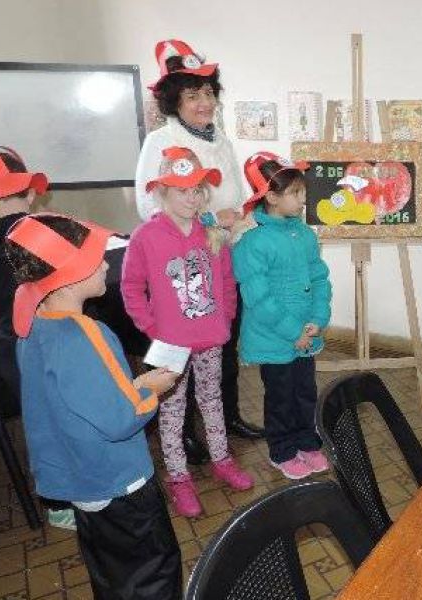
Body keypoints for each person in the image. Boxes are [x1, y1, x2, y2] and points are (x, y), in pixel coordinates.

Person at [5, 213, 182, 599]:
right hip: (119, 480)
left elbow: (73, 400)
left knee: (112, 572)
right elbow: (122, 418)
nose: (105, 264)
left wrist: (131, 387)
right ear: (68, 272)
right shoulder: (87, 333)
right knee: (154, 572)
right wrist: (152, 389)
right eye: (94, 258)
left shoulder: (32, 327)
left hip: (80, 479)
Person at [136, 39, 263, 456]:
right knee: (180, 353)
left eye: (209, 93)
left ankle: (225, 419)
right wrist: (210, 219)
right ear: (175, 102)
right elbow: (146, 204)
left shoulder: (221, 140)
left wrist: (240, 219)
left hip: (222, 258)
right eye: (193, 95)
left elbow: (235, 197)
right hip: (181, 267)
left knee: (223, 345)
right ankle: (184, 430)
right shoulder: (160, 140)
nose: (204, 102)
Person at [122, 146, 254, 517]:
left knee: (212, 401)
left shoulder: (211, 234)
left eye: (197, 190)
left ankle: (222, 458)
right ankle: (178, 477)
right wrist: (150, 326)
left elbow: (227, 281)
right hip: (169, 345)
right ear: (162, 192)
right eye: (182, 190)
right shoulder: (146, 237)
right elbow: (131, 288)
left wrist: (226, 317)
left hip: (210, 336)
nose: (191, 197)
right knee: (172, 410)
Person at [0, 146, 77, 531]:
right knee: (60, 420)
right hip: (45, 340)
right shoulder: (35, 233)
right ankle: (63, 500)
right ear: (28, 191)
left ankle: (56, 499)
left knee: (40, 425)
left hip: (8, 346)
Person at [232, 153, 332, 480]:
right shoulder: (252, 241)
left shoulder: (304, 235)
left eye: (303, 192)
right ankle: (282, 450)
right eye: (295, 194)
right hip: (275, 337)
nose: (304, 200)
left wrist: (319, 317)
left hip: (306, 334)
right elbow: (258, 298)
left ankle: (306, 440)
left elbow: (319, 279)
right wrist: (293, 332)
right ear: (271, 198)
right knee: (280, 397)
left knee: (305, 391)